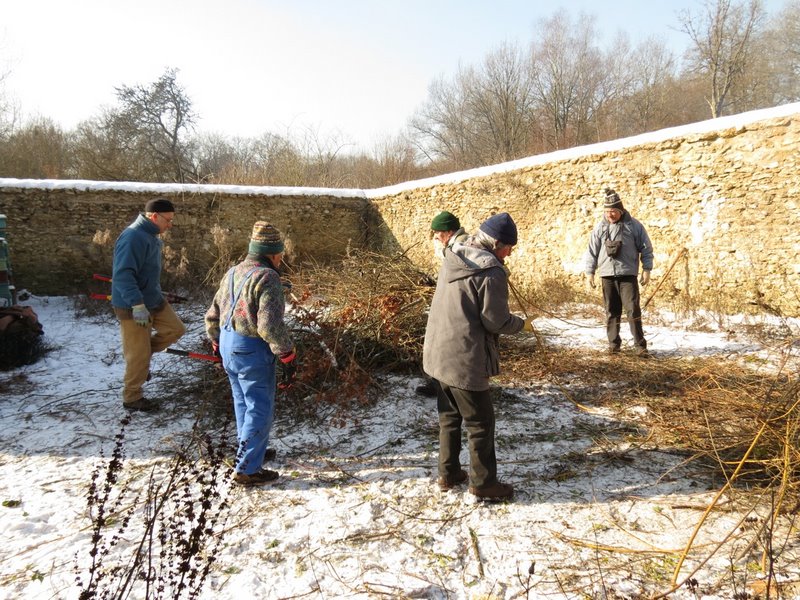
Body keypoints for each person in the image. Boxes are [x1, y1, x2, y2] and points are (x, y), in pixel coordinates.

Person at [423, 212, 532, 501]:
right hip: (464, 357)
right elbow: (495, 321)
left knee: (449, 415)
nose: (510, 253)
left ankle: (448, 473)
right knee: (480, 423)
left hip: (438, 353)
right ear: (497, 243)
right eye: (509, 247)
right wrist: (522, 324)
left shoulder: (454, 254)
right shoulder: (491, 272)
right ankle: (484, 484)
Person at [205, 221, 297, 486]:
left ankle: (251, 450)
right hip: (251, 349)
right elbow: (269, 325)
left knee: (242, 402)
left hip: (227, 343)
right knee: (259, 405)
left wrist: (216, 342)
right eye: (280, 254)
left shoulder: (233, 272)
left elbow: (212, 313)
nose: (281, 259)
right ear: (273, 254)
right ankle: (247, 469)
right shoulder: (268, 277)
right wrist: (287, 353)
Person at [112, 198, 186, 412]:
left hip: (153, 299)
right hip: (132, 305)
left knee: (176, 329)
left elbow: (145, 272)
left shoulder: (151, 236)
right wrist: (136, 304)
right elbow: (123, 275)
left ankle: (143, 361)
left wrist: (155, 292)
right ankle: (132, 397)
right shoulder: (133, 237)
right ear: (154, 216)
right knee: (137, 354)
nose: (170, 225)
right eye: (168, 220)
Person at [584, 188, 654, 356]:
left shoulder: (634, 226)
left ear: (620, 210)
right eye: (607, 211)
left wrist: (647, 269)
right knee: (611, 311)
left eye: (613, 211)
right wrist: (590, 272)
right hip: (607, 275)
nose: (610, 215)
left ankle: (640, 346)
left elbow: (646, 247)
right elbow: (592, 250)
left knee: (632, 310)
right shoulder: (600, 227)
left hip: (628, 275)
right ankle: (613, 345)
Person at [416, 210, 470, 398]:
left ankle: (447, 389)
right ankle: (439, 384)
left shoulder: (461, 247)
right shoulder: (454, 246)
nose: (437, 238)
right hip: (449, 306)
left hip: (455, 310)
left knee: (447, 349)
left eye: (438, 233)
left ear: (448, 231)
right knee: (439, 347)